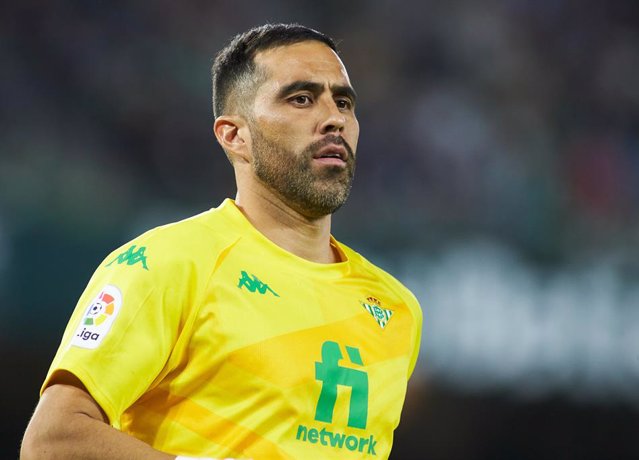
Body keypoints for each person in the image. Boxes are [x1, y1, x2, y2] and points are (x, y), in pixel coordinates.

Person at [21, 23, 422, 460]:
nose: (335, 119)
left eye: (343, 102)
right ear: (235, 135)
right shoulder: (170, 263)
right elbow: (53, 440)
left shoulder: (396, 308)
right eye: (302, 98)